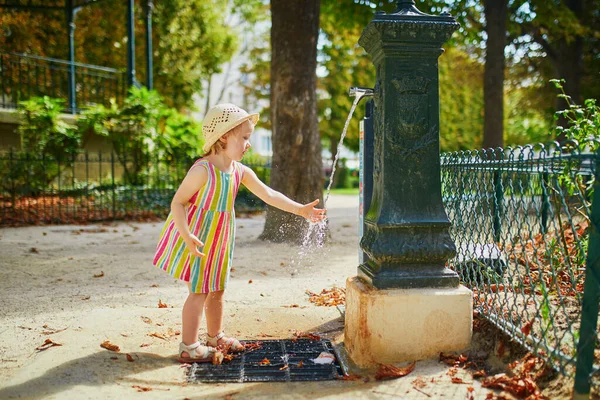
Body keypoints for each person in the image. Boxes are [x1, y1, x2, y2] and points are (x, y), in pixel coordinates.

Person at [153, 103, 327, 363]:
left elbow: (269, 194)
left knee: (218, 290)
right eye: (244, 138)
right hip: (199, 238)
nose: (248, 144)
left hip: (222, 238)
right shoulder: (203, 170)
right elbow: (178, 202)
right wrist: (186, 235)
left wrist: (300, 210)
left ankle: (215, 336)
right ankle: (188, 346)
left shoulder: (239, 171)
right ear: (223, 136)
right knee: (199, 291)